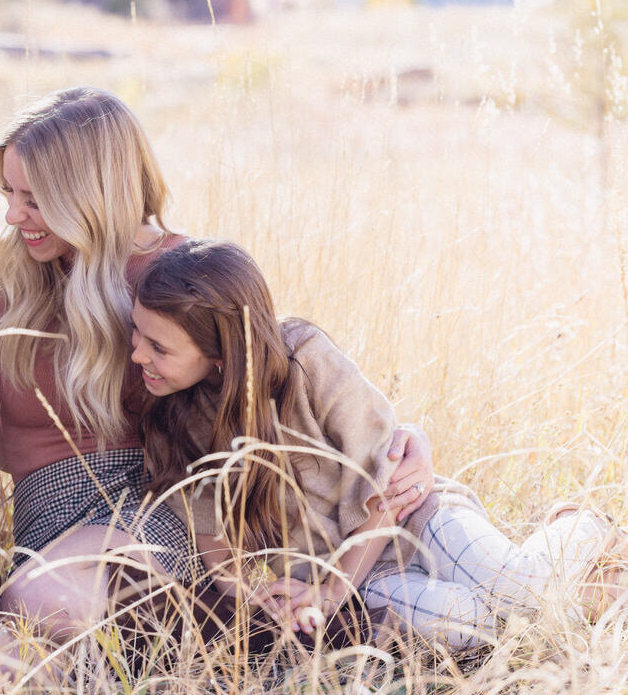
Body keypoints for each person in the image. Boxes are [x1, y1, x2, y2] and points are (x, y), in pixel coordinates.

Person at [0, 87, 435, 668]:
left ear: (89, 197)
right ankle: (236, 646)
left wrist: (405, 438)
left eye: (35, 198)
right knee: (18, 623)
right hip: (47, 508)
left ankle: (263, 638)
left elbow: (265, 379)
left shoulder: (175, 273)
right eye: (10, 192)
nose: (13, 215)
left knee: (37, 601)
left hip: (165, 502)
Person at [131, 237, 618, 649]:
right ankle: (592, 590)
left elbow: (388, 479)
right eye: (137, 334)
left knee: (519, 588)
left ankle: (580, 524)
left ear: (221, 353)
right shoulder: (178, 421)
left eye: (158, 347)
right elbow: (214, 536)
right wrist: (256, 594)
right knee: (478, 626)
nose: (137, 355)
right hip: (369, 581)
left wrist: (330, 591)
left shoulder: (305, 359)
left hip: (415, 520)